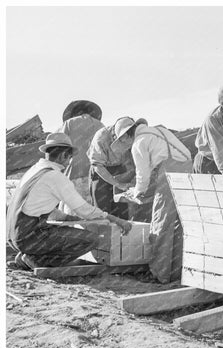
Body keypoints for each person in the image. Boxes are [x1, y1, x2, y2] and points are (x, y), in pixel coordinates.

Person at [6, 133, 132, 270]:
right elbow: (85, 210)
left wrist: (67, 218)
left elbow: (40, 207)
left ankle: (26, 256)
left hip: (13, 235)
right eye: (69, 158)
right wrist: (117, 220)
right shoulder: (55, 177)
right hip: (28, 238)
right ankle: (38, 260)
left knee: (63, 233)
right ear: (63, 156)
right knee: (92, 239)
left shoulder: (35, 170)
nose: (69, 162)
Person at [127, 122, 192, 283]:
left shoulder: (138, 143)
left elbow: (142, 176)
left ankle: (158, 273)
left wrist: (136, 193)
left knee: (161, 222)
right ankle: (176, 272)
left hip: (169, 172)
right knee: (179, 223)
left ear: (128, 136)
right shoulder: (160, 131)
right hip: (187, 169)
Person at [87, 117, 147, 219]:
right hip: (101, 171)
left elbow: (135, 161)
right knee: (102, 211)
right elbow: (98, 166)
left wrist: (137, 182)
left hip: (120, 168)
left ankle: (122, 232)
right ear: (117, 137)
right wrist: (118, 184)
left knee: (122, 209)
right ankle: (105, 233)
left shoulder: (135, 136)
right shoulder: (100, 138)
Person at [57, 100, 104, 207]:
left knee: (73, 211)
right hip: (96, 175)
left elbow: (58, 146)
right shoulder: (101, 125)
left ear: (74, 113)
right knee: (92, 210)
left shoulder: (68, 124)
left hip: (73, 173)